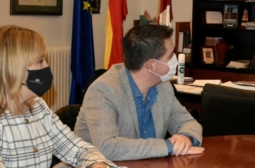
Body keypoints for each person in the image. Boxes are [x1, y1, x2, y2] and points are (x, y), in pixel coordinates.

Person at [0, 26, 127, 168]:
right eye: (40, 61)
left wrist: (98, 166)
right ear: (14, 69)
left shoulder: (37, 107)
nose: (47, 68)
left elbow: (76, 148)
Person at [75, 24, 203, 160]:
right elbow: (107, 147)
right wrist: (168, 146)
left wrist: (185, 137)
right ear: (151, 65)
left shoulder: (163, 86)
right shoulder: (103, 91)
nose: (175, 59)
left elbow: (188, 122)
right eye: (171, 55)